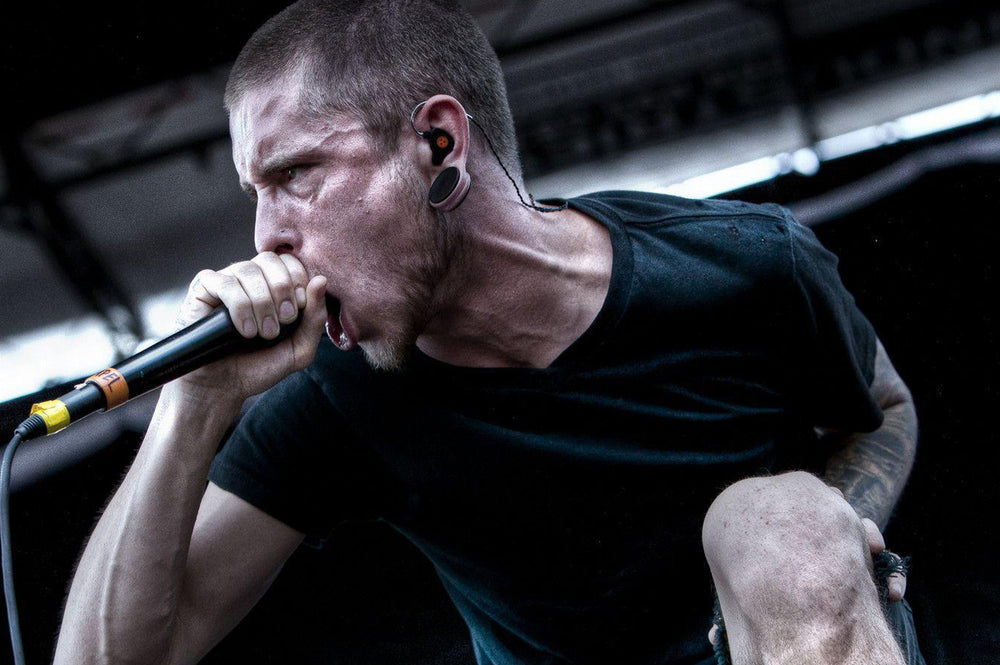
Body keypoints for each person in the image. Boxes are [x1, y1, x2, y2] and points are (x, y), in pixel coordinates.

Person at [54, 1, 921, 664]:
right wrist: (189, 408)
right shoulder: (341, 393)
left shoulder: (743, 266)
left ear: (438, 142)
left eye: (297, 175)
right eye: (256, 194)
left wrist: (824, 545)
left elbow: (882, 404)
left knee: (772, 519)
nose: (265, 238)